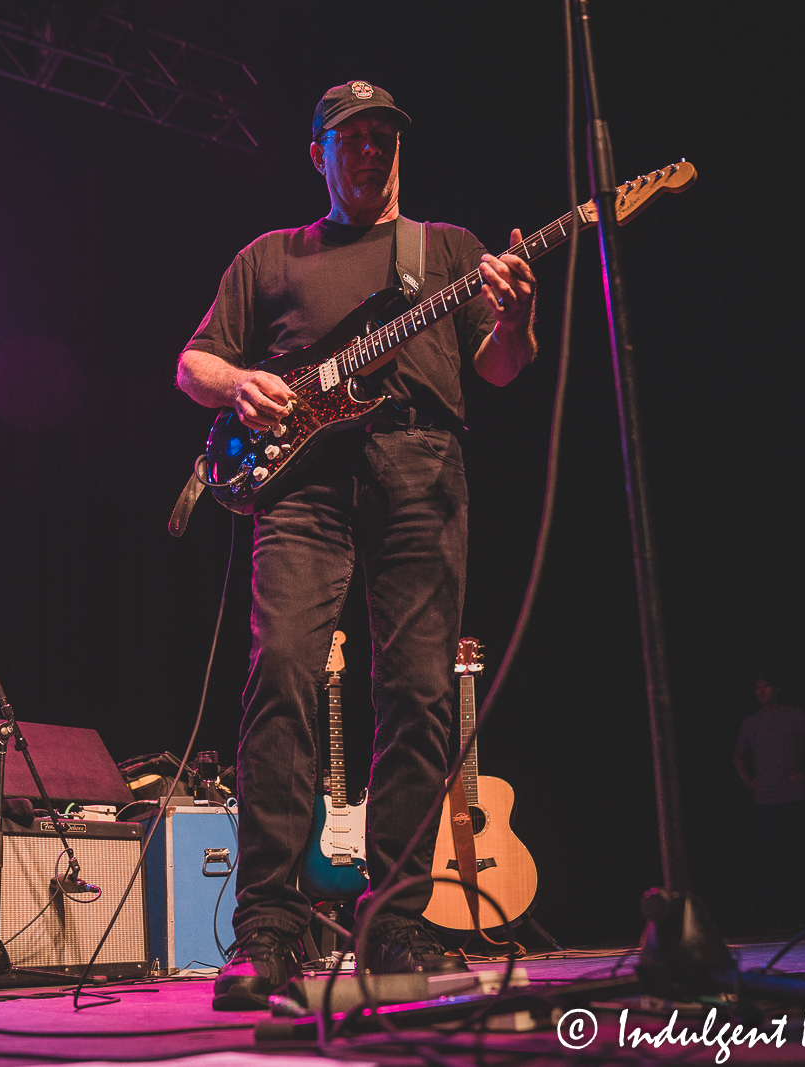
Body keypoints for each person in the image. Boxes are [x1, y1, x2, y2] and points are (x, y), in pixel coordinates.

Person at [176, 80, 538, 1011]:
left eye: (384, 137)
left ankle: (400, 919)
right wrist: (242, 383)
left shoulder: (446, 251)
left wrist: (518, 317)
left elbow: (500, 368)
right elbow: (194, 362)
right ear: (318, 155)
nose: (370, 151)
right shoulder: (271, 257)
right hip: (300, 482)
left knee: (419, 690)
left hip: (422, 464)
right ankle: (267, 927)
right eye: (352, 139)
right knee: (284, 673)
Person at [732, 673, 805, 931]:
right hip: (766, 800)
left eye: (766, 686)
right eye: (757, 687)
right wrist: (748, 781)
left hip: (795, 797)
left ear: (777, 688)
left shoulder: (795, 715)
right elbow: (737, 755)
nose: (761, 691)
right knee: (772, 858)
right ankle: (780, 915)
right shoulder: (751, 723)